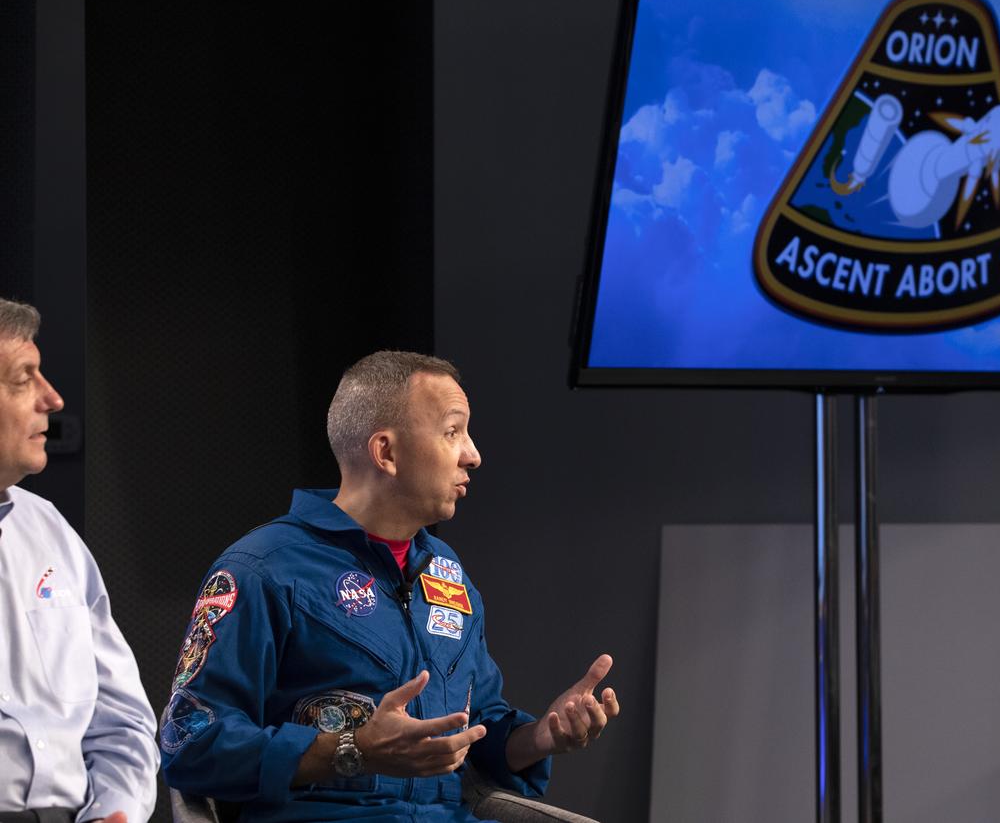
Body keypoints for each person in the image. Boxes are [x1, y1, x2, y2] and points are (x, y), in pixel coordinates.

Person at [161, 351, 619, 821]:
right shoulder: (262, 568)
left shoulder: (445, 570)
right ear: (387, 453)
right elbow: (189, 744)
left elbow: (479, 730)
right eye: (452, 431)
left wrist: (541, 736)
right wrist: (351, 750)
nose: (473, 455)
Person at [0, 297, 158, 823]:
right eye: (23, 379)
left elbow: (122, 722)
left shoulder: (48, 530)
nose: (53, 398)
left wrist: (115, 811)